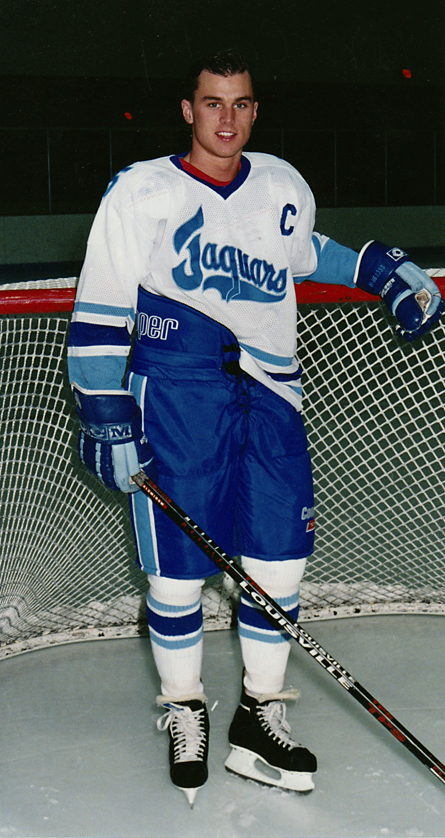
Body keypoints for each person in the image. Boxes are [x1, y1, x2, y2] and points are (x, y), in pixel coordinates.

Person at [67, 49, 443, 806]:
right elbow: (101, 303)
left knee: (279, 565)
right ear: (186, 108)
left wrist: (374, 266)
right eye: (212, 104)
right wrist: (104, 407)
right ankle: (185, 709)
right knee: (176, 572)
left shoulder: (279, 182)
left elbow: (300, 252)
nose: (227, 119)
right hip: (177, 396)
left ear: (254, 110)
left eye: (239, 104)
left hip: (273, 399)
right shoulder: (142, 191)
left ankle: (258, 720)